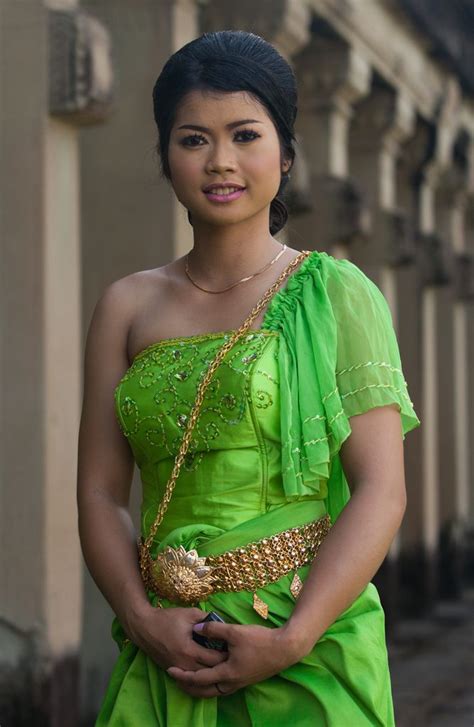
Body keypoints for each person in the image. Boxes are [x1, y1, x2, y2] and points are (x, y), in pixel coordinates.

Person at [77, 29, 421, 726]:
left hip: (303, 642)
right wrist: (142, 618)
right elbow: (101, 491)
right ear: (165, 158)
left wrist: (292, 638)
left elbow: (381, 490)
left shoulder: (335, 295)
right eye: (194, 139)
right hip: (170, 646)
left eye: (245, 135)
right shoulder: (127, 305)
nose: (221, 162)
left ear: (286, 153)